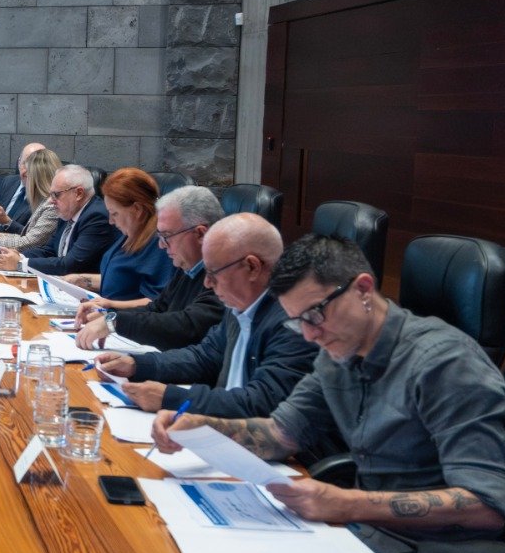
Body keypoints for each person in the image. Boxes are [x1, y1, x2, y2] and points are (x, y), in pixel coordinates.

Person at [150, 234, 505, 553]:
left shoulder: (447, 364)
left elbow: (485, 506)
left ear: (362, 289)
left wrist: (345, 504)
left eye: (315, 315)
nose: (309, 335)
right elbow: (281, 434)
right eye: (298, 321)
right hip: (361, 532)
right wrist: (201, 428)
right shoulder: (338, 352)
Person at [92, 213, 317, 418]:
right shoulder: (239, 304)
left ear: (252, 267)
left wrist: (171, 398)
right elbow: (204, 356)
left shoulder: (294, 322)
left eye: (213, 273)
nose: (207, 283)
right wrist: (137, 365)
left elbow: (262, 403)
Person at [75, 185, 225, 351]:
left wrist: (115, 323)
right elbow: (157, 308)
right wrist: (109, 315)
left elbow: (187, 326)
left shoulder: (225, 276)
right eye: (160, 237)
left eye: (167, 236)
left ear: (200, 234)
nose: (161, 245)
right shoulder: (189, 266)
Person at [63, 167, 173, 302]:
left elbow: (156, 302)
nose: (110, 221)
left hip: (127, 320)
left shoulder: (159, 244)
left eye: (114, 213)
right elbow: (122, 279)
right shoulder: (131, 231)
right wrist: (81, 280)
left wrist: (108, 305)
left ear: (137, 209)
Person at [1, 164, 115, 276]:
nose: (51, 201)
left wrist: (20, 263)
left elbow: (69, 265)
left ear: (79, 193)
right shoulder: (68, 211)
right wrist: (19, 255)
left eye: (56, 194)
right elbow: (49, 250)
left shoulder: (96, 216)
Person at [0, 147, 61, 252]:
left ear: (36, 178)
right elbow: (25, 237)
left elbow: (28, 243)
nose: (22, 176)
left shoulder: (52, 205)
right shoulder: (46, 201)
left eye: (27, 175)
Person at [0, 141, 47, 233]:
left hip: (15, 245)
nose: (29, 170)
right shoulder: (9, 181)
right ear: (19, 163)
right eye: (25, 164)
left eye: (35, 166)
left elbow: (34, 238)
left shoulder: (47, 195)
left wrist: (7, 222)